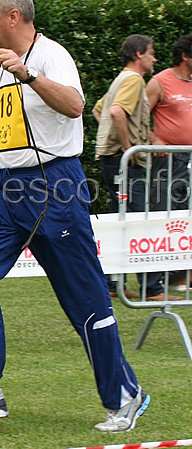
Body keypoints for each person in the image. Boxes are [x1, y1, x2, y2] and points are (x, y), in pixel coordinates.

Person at [0, 0, 150, 433]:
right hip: (6, 189)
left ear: (13, 16)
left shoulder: (51, 55)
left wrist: (27, 75)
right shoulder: (2, 62)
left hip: (54, 189)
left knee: (84, 301)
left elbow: (74, 105)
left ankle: (125, 396)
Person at [93, 35, 177, 302]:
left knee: (120, 220)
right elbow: (117, 113)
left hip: (112, 158)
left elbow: (100, 109)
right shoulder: (133, 80)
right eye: (152, 53)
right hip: (122, 160)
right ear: (139, 54)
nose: (155, 59)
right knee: (141, 220)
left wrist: (115, 139)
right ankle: (151, 289)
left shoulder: (122, 79)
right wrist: (129, 148)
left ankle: (111, 283)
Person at [147, 33, 192, 291]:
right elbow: (140, 118)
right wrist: (154, 139)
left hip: (191, 160)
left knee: (188, 217)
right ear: (185, 55)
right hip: (169, 162)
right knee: (166, 214)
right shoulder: (159, 81)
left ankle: (183, 277)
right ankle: (162, 276)